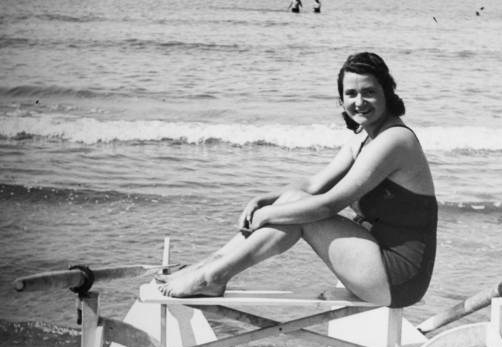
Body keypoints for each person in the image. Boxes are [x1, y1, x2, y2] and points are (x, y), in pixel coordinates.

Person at [157, 52, 438, 309]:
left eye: (369, 92)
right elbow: (312, 187)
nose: (359, 102)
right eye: (350, 93)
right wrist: (264, 200)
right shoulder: (363, 138)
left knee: (303, 214)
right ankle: (209, 267)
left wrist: (270, 213)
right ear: (341, 100)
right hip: (374, 259)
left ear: (387, 94)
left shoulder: (395, 140)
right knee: (295, 201)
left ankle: (214, 276)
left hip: (399, 277)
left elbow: (329, 205)